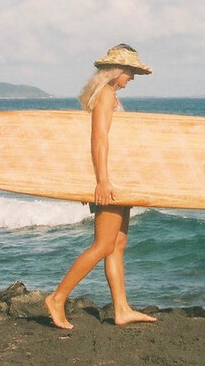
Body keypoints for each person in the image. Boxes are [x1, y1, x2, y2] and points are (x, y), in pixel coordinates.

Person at [45, 44, 157, 329]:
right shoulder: (106, 95)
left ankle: (121, 309)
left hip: (116, 178)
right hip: (107, 179)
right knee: (103, 244)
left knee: (118, 244)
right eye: (130, 70)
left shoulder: (110, 95)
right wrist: (102, 181)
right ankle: (57, 298)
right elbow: (99, 139)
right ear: (117, 70)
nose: (132, 76)